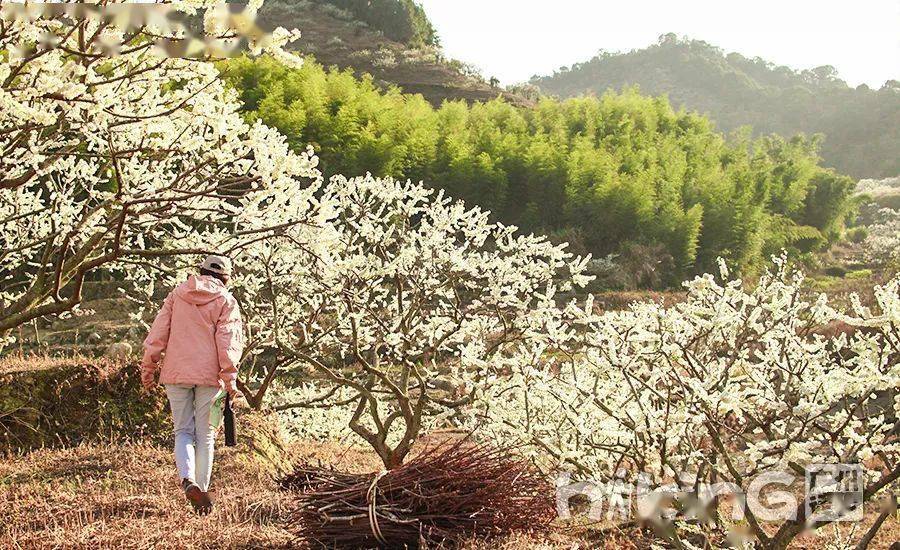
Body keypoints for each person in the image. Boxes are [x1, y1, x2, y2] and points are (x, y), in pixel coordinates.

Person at [141, 254, 245, 515]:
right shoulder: (226, 301)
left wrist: (149, 367)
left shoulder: (177, 294)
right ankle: (202, 488)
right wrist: (230, 379)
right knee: (206, 435)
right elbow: (228, 343)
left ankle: (188, 481)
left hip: (176, 374)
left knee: (183, 431)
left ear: (199, 271)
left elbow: (158, 333)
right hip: (211, 379)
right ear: (226, 278)